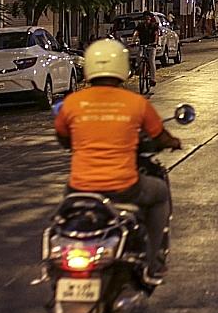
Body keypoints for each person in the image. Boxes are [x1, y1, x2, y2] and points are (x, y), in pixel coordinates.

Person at [54, 39, 181, 280]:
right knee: (160, 192)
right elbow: (160, 137)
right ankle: (153, 260)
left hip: (79, 188)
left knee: (63, 215)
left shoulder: (71, 103)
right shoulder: (135, 103)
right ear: (122, 68)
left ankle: (57, 266)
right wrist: (173, 143)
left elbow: (63, 138)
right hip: (124, 188)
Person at [135, 11, 159, 85]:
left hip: (151, 46)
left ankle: (153, 79)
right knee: (139, 57)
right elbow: (136, 33)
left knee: (151, 61)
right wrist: (133, 40)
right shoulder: (140, 26)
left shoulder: (153, 26)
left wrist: (155, 42)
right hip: (142, 45)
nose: (146, 20)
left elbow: (156, 35)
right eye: (145, 18)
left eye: (148, 18)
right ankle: (142, 70)